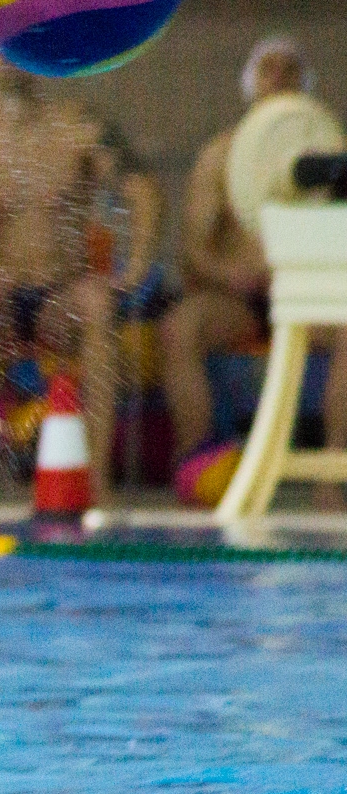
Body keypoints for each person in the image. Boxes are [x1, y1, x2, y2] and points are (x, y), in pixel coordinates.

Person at [160, 36, 347, 506]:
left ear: (305, 84)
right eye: (268, 69)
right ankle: (201, 463)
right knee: (179, 328)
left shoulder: (330, 151)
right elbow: (193, 251)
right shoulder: (221, 155)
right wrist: (232, 276)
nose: (279, 78)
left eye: (289, 69)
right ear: (250, 84)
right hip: (238, 299)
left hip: (310, 298)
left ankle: (333, 469)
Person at [0, 38, 119, 500]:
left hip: (61, 296)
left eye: (17, 47)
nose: (8, 60)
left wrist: (130, 268)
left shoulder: (77, 131)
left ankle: (95, 477)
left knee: (97, 304)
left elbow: (138, 189)